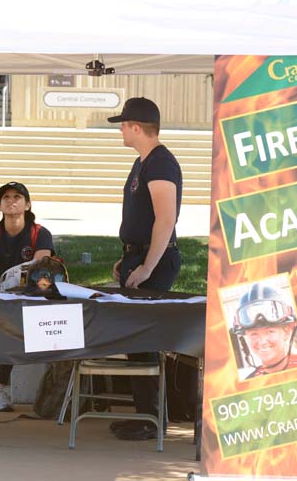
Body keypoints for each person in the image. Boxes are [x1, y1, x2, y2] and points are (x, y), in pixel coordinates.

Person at [107, 97, 182, 442]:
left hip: (156, 259)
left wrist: (148, 265)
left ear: (136, 127)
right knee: (136, 340)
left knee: (145, 337)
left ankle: (152, 417)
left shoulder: (161, 163)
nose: (121, 130)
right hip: (139, 256)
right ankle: (143, 415)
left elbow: (166, 219)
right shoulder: (143, 162)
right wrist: (130, 257)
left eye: (123, 124)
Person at [0, 181, 54, 412]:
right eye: (5, 197)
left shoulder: (41, 234)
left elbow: (40, 273)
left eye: (17, 197)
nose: (11, 201)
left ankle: (56, 390)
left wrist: (25, 297)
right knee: (7, 331)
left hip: (33, 295)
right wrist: (0, 297)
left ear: (27, 205)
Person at [233, 283, 297, 379]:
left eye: (270, 332)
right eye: (253, 334)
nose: (262, 342)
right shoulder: (249, 383)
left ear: (287, 332)